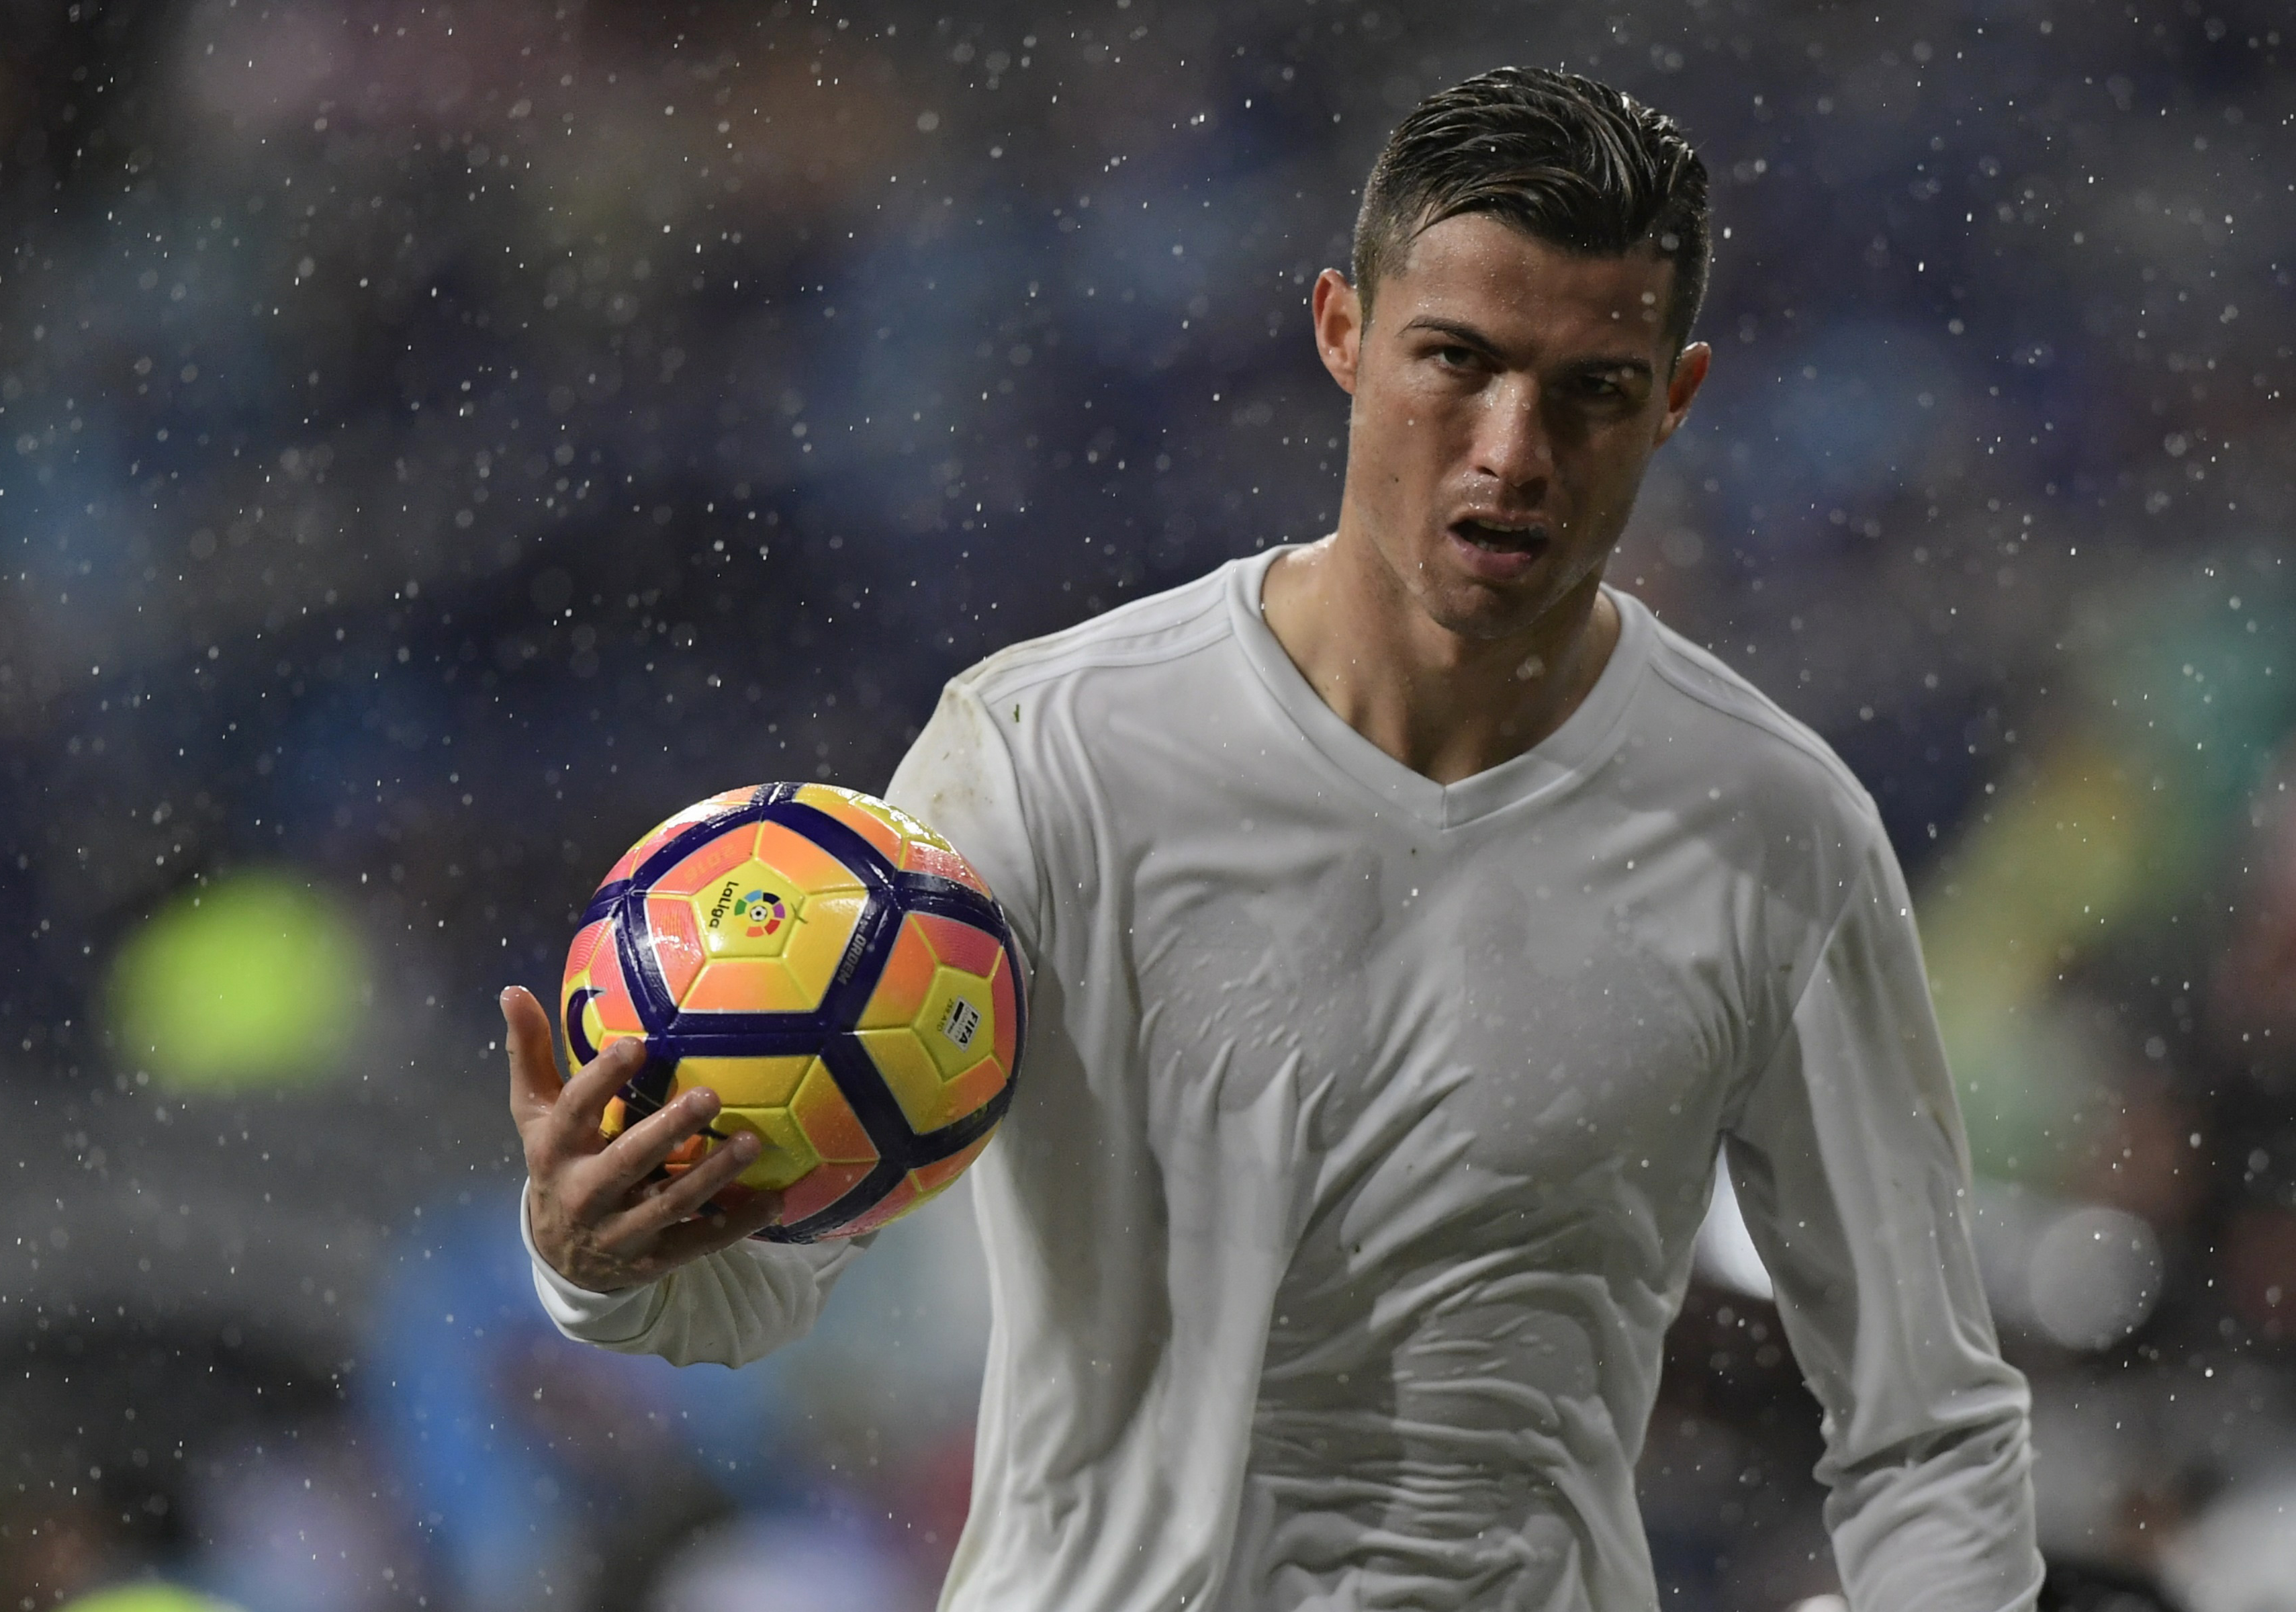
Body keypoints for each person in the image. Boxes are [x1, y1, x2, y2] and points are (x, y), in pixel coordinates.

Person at [502, 67, 2042, 1611]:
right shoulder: (1054, 755)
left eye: (1594, 388)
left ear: (1679, 397)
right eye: (1458, 361)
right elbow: (776, 1276)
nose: (1514, 450)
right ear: (1341, 333)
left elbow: (1927, 1427)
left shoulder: (1778, 833)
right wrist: (606, 1257)